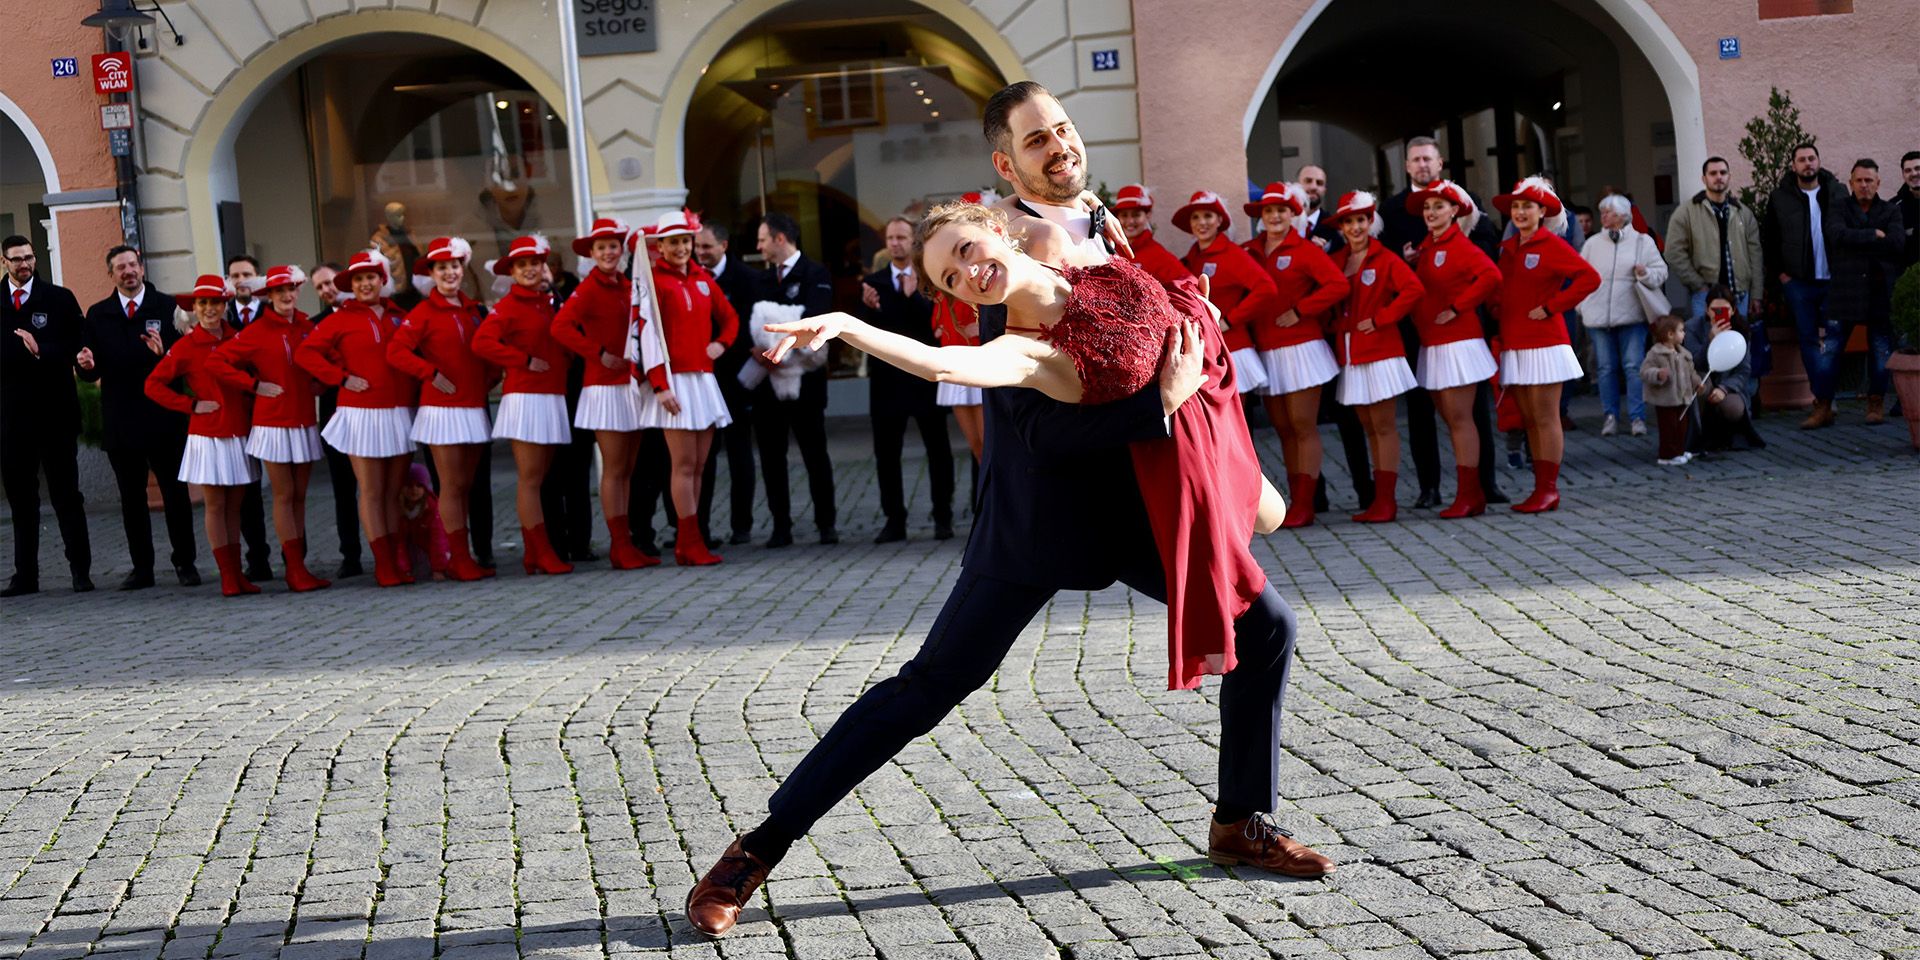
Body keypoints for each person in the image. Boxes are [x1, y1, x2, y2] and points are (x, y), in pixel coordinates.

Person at [684, 84, 1328, 940]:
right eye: (1036, 142)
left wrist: (1192, 331)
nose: (1057, 147)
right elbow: (1028, 420)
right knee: (929, 688)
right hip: (1037, 522)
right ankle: (753, 851)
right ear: (1003, 174)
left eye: (1061, 130)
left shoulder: (1089, 224)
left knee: (1268, 627)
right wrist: (845, 322)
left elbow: (1143, 327)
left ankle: (1240, 820)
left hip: (1134, 504)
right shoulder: (1001, 287)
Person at [76, 244, 198, 589]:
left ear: (142, 268)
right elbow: (89, 365)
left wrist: (165, 356)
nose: (127, 271)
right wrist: (84, 365)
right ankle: (142, 568)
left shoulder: (168, 307)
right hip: (122, 420)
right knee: (131, 500)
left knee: (175, 495)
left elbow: (185, 363)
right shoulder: (98, 314)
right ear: (111, 274)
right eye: (120, 267)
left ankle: (185, 563)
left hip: (164, 419)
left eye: (132, 265)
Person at [297, 249, 417, 589]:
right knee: (372, 490)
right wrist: (341, 377)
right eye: (359, 279)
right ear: (352, 284)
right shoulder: (340, 318)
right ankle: (383, 564)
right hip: (361, 413)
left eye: (371, 277)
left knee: (394, 491)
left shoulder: (399, 316)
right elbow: (307, 353)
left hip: (398, 411)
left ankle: (396, 557)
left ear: (382, 280)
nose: (366, 284)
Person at [206, 264, 329, 592]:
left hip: (304, 419)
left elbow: (330, 357)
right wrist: (252, 385)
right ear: (268, 295)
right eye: (278, 291)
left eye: (290, 289)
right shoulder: (257, 332)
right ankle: (294, 571)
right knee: (284, 494)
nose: (286, 295)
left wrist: (321, 383)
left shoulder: (306, 326)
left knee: (300, 495)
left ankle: (298, 566)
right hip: (272, 423)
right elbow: (216, 362)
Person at [389, 236, 496, 582]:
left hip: (472, 407)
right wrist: (430, 373)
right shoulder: (423, 313)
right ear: (431, 274)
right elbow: (397, 352)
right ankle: (457, 558)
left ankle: (460, 555)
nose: (449, 272)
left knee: (466, 485)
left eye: (454, 266)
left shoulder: (473, 309)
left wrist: (488, 383)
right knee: (450, 485)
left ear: (462, 269)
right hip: (442, 410)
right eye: (442, 267)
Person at [1492, 178, 1602, 513]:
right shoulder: (1509, 249)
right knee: (1528, 418)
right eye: (1516, 206)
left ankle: (1549, 489)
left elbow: (1589, 277)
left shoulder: (1551, 244)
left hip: (1544, 342)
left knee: (1545, 417)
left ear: (1543, 211)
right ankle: (1540, 488)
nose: (1521, 212)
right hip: (1515, 341)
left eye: (1528, 206)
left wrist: (1553, 306)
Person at [145, 276, 259, 597]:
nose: (210, 309)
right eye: (203, 303)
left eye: (216, 303)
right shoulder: (185, 346)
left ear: (224, 306)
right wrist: (190, 405)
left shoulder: (238, 339)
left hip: (239, 431)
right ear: (194, 308)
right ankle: (226, 576)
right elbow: (152, 385)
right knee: (215, 504)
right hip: (208, 434)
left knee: (236, 505)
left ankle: (237, 574)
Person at [552, 217, 655, 570]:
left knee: (628, 468)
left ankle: (626, 542)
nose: (608, 252)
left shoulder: (628, 286)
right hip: (603, 387)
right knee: (613, 468)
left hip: (629, 385)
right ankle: (619, 545)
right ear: (592, 254)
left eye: (613, 246)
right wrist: (596, 353)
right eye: (601, 247)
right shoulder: (588, 289)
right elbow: (560, 326)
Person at [1242, 182, 1347, 527]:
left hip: (1302, 348)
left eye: (1281, 211)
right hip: (1268, 351)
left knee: (1303, 427)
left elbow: (1337, 285)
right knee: (1284, 428)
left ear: (1292, 214)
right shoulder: (1250, 250)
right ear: (1261, 216)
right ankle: (1294, 501)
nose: (1274, 217)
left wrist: (1302, 310)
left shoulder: (1304, 250)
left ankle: (1306, 504)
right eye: (1269, 211)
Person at [634, 210, 736, 566]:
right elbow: (646, 336)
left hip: (703, 380)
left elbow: (730, 318)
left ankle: (691, 541)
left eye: (685, 241)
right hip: (674, 381)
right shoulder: (654, 282)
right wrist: (660, 385)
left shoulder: (703, 280)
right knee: (682, 464)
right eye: (673, 242)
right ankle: (687, 540)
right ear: (660, 246)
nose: (680, 248)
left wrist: (720, 345)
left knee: (699, 464)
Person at [473, 235, 574, 575]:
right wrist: (522, 360)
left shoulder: (550, 301)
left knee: (541, 476)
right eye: (522, 265)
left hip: (552, 393)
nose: (530, 270)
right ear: (512, 272)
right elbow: (482, 342)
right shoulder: (507, 307)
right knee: (530, 478)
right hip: (526, 396)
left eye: (535, 263)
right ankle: (540, 551)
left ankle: (535, 552)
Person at [855, 216, 955, 543]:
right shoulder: (874, 283)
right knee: (886, 454)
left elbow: (934, 328)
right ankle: (894, 520)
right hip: (886, 382)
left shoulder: (930, 280)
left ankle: (944, 516)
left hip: (924, 379)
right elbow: (869, 334)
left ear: (914, 241)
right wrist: (867, 309)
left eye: (902, 237)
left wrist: (914, 298)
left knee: (938, 449)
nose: (895, 242)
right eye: (890, 237)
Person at [1, 235, 91, 596]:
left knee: (67, 497)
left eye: (29, 257)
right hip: (10, 420)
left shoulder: (59, 298)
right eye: (16, 259)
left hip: (55, 416)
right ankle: (26, 576)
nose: (24, 264)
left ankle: (80, 571)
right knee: (21, 503)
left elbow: (78, 343)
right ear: (4, 261)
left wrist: (43, 351)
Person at [1407, 180, 1502, 519]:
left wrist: (1459, 306)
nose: (1431, 213)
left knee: (1461, 420)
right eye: (1427, 207)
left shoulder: (1458, 244)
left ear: (1455, 211)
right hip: (1435, 342)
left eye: (1439, 206)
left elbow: (1491, 276)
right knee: (1452, 420)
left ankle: (1470, 495)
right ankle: (1469, 494)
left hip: (1458, 341)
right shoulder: (1428, 247)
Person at [1330, 191, 1423, 523]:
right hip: (1352, 353)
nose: (1355, 227)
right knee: (1368, 426)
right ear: (1341, 227)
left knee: (1383, 427)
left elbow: (1413, 290)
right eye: (1348, 222)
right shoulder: (1338, 259)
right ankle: (1379, 499)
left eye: (1360, 220)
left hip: (1381, 351)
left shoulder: (1385, 258)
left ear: (1371, 222)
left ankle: (1387, 500)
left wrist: (1382, 317)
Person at [751, 211, 838, 547]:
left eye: (762, 240)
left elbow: (812, 322)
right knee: (772, 457)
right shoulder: (760, 280)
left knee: (815, 452)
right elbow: (754, 323)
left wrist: (777, 336)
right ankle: (780, 526)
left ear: (780, 239)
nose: (758, 247)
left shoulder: (816, 274)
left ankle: (826, 524)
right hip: (768, 383)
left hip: (807, 380)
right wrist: (759, 349)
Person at [1763, 142, 1848, 429]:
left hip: (1833, 280)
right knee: (1809, 341)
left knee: (1834, 341)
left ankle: (1825, 399)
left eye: (1812, 158)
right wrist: (1783, 276)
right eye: (1802, 160)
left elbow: (1849, 230)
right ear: (1793, 166)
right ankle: (1823, 401)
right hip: (1799, 283)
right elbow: (1770, 240)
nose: (1808, 164)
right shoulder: (1779, 198)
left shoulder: (1837, 192)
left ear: (1819, 161)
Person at [694, 222, 762, 545]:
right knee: (702, 456)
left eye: (706, 247)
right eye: (697, 247)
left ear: (723, 245)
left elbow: (751, 326)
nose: (700, 253)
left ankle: (741, 525)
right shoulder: (691, 278)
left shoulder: (749, 279)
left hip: (737, 378)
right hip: (700, 378)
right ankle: (699, 527)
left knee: (739, 452)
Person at [1579, 194, 1668, 437]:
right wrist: (1583, 306)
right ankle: (1610, 416)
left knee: (1633, 367)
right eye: (1603, 212)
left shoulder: (1642, 242)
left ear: (1623, 216)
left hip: (1632, 316)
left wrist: (1645, 273)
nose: (1604, 216)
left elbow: (1661, 273)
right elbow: (1578, 277)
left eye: (1609, 212)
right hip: (1598, 317)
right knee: (1605, 369)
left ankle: (1637, 418)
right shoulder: (1592, 244)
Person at [1174, 190, 1279, 396]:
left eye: (1208, 216)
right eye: (1196, 217)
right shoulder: (1191, 258)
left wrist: (1229, 320)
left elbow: (1266, 288)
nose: (1201, 222)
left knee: (1236, 422)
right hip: (1204, 349)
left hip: (1233, 348)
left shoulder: (1232, 254)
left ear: (1219, 220)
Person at [1824, 159, 1904, 425]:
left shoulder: (1891, 210)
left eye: (1869, 180)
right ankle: (1823, 404)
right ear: (1851, 183)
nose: (1864, 185)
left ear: (1878, 183)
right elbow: (1836, 235)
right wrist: (1872, 235)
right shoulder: (1838, 208)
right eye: (1859, 180)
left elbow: (1896, 243)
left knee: (1881, 351)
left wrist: (1856, 239)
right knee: (1832, 351)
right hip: (1845, 291)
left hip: (1879, 291)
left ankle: (1876, 402)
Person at [308, 262, 364, 579]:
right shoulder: (316, 325)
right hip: (335, 415)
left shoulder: (371, 313)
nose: (327, 290)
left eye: (329, 282)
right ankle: (351, 555)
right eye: (319, 287)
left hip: (374, 410)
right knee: (344, 490)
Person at [540, 253, 597, 561]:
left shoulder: (571, 299)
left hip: (576, 395)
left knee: (577, 472)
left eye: (544, 267)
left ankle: (581, 540)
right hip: (543, 398)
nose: (541, 273)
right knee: (548, 475)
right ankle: (554, 542)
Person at [221, 252, 273, 580]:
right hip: (236, 412)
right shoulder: (219, 317)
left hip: (273, 409)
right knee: (247, 491)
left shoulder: (274, 312)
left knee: (288, 491)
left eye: (247, 274)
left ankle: (299, 558)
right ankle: (257, 559)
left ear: (260, 279)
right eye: (235, 275)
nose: (241, 281)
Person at [1665, 156, 1764, 320]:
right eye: (1713, 173)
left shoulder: (1743, 212)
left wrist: (1756, 294)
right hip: (1704, 296)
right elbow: (1673, 252)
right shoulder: (1687, 212)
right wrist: (1698, 284)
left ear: (1729, 177)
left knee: (1739, 343)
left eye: (1723, 172)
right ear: (1704, 178)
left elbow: (1755, 255)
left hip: (1739, 295)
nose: (1718, 177)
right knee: (1706, 343)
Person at [1682, 288, 1766, 453]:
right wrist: (1710, 341)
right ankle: (1697, 437)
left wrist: (1724, 388)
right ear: (1707, 310)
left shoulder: (1740, 329)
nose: (1719, 314)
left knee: (1733, 408)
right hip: (1702, 379)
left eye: (1725, 310)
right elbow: (1693, 363)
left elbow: (1743, 370)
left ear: (1733, 310)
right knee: (1702, 388)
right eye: (1715, 310)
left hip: (1727, 385)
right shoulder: (1693, 327)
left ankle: (1727, 436)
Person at [1638, 315, 1699, 466]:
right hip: (1665, 400)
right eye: (1681, 330)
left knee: (1682, 427)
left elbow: (1692, 372)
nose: (1684, 333)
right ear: (1670, 334)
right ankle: (1666, 454)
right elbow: (1644, 371)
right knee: (1668, 428)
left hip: (1682, 398)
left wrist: (1697, 383)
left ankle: (1678, 450)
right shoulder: (1655, 353)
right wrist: (1658, 374)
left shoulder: (1684, 354)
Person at [1111, 184, 1191, 284]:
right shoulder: (1108, 251)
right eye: (1124, 215)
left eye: (1136, 215)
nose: (1130, 221)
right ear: (1117, 217)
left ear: (1148, 215)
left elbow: (1187, 284)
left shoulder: (1159, 255)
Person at [396, 462, 450, 580]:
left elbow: (438, 540)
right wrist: (403, 570)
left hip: (428, 551)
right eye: (409, 485)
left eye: (419, 486)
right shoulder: (397, 511)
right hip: (411, 552)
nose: (414, 490)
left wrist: (438, 569)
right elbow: (398, 543)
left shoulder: (432, 509)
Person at [1899, 151, 1920, 268]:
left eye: (1918, 168)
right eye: (1908, 170)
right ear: (1903, 175)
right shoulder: (1894, 208)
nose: (1914, 173)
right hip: (1907, 280)